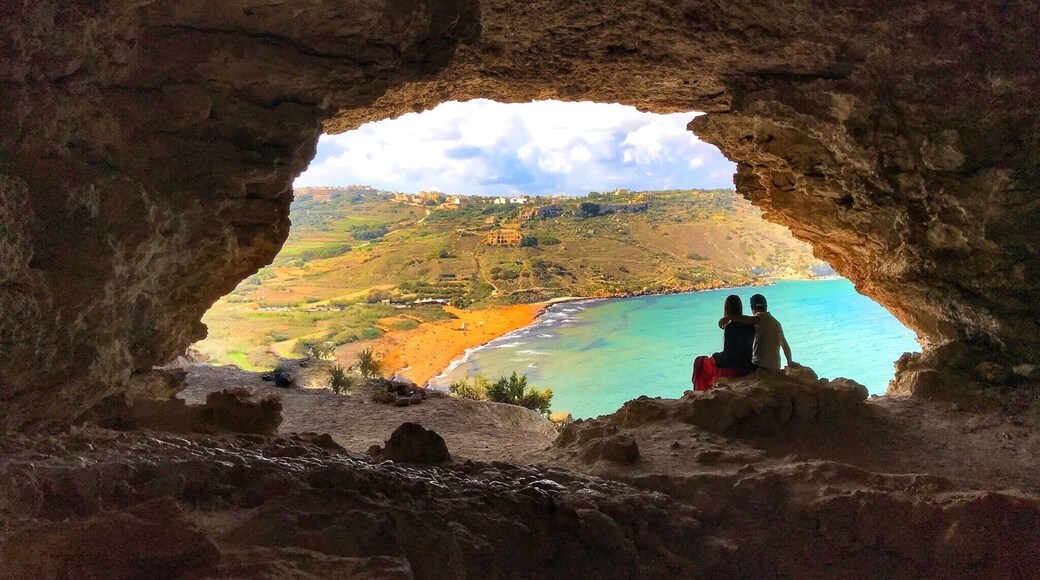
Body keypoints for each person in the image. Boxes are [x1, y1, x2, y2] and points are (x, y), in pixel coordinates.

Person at [718, 293, 798, 371]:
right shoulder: (776, 323)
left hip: (761, 365)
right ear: (766, 307)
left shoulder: (760, 317)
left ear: (752, 307)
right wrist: (789, 361)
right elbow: (785, 345)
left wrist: (729, 317)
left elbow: (747, 319)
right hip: (775, 366)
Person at [692, 295, 756, 391]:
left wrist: (715, 355)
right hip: (747, 363)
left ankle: (699, 390)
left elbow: (728, 353)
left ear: (727, 308)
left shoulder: (730, 327)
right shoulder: (751, 325)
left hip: (734, 366)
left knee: (700, 361)